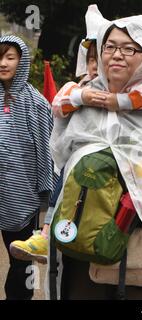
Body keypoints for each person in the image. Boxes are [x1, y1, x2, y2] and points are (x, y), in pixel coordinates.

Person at [46, 15, 142, 300]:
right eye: (109, 47)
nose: (116, 55)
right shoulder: (85, 100)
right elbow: (60, 157)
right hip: (80, 250)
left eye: (130, 48)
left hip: (141, 257)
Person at [0, 35, 54, 300]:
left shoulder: (37, 103)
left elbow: (47, 150)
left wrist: (46, 194)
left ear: (21, 62)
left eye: (10, 57)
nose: (3, 63)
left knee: (19, 259)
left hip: (22, 195)